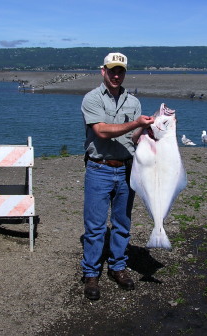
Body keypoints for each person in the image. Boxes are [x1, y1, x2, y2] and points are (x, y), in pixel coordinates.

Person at [80, 52, 154, 300]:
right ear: (103, 71)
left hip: (126, 169)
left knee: (122, 224)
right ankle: (91, 273)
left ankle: (118, 267)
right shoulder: (91, 99)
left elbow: (133, 139)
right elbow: (101, 131)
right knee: (95, 227)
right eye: (111, 70)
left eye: (120, 71)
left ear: (125, 73)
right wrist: (135, 124)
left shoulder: (133, 102)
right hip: (98, 169)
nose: (116, 75)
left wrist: (147, 129)